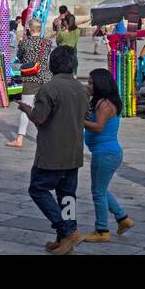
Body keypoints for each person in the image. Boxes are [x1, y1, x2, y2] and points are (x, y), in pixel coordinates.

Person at [21, 46, 89, 255]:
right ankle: (66, 237)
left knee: (38, 189)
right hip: (74, 151)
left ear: (52, 64)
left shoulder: (49, 88)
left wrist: (27, 110)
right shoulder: (81, 88)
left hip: (52, 152)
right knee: (67, 196)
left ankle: (65, 230)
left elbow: (40, 117)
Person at [81, 68, 132, 242]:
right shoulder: (105, 102)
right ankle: (122, 218)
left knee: (97, 192)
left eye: (90, 83)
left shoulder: (103, 104)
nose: (88, 86)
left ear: (99, 85)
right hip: (107, 153)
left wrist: (79, 120)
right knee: (100, 190)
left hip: (105, 154)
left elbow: (99, 127)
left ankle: (102, 230)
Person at [6, 20, 49, 147]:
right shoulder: (47, 43)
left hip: (30, 78)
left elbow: (19, 57)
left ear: (29, 30)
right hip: (45, 78)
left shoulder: (25, 43)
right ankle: (45, 135)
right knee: (46, 108)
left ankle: (19, 139)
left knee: (26, 107)